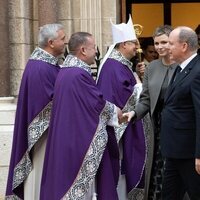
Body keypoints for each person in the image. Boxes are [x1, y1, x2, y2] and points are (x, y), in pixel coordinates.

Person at [39, 32, 123, 200]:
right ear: (83, 50)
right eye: (94, 48)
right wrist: (116, 112)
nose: (96, 52)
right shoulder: (77, 74)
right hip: (77, 141)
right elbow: (96, 102)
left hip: (69, 136)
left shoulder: (68, 71)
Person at [5, 23, 66, 200]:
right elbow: (46, 105)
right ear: (51, 42)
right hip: (43, 139)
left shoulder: (48, 65)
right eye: (62, 39)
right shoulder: (40, 68)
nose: (66, 42)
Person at [123, 25, 177, 200]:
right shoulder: (152, 67)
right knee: (158, 169)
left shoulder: (183, 65)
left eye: (164, 42)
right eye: (157, 43)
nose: (160, 47)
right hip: (158, 127)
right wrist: (134, 113)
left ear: (173, 43)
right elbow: (145, 98)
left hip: (179, 126)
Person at [97, 16, 146, 199]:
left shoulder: (122, 64)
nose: (137, 47)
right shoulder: (113, 67)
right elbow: (123, 97)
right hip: (119, 131)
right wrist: (140, 85)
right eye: (134, 43)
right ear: (123, 44)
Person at [160, 26, 200, 200]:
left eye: (170, 43)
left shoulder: (198, 71)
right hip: (174, 150)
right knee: (169, 195)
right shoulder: (179, 68)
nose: (167, 47)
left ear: (184, 46)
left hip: (190, 154)